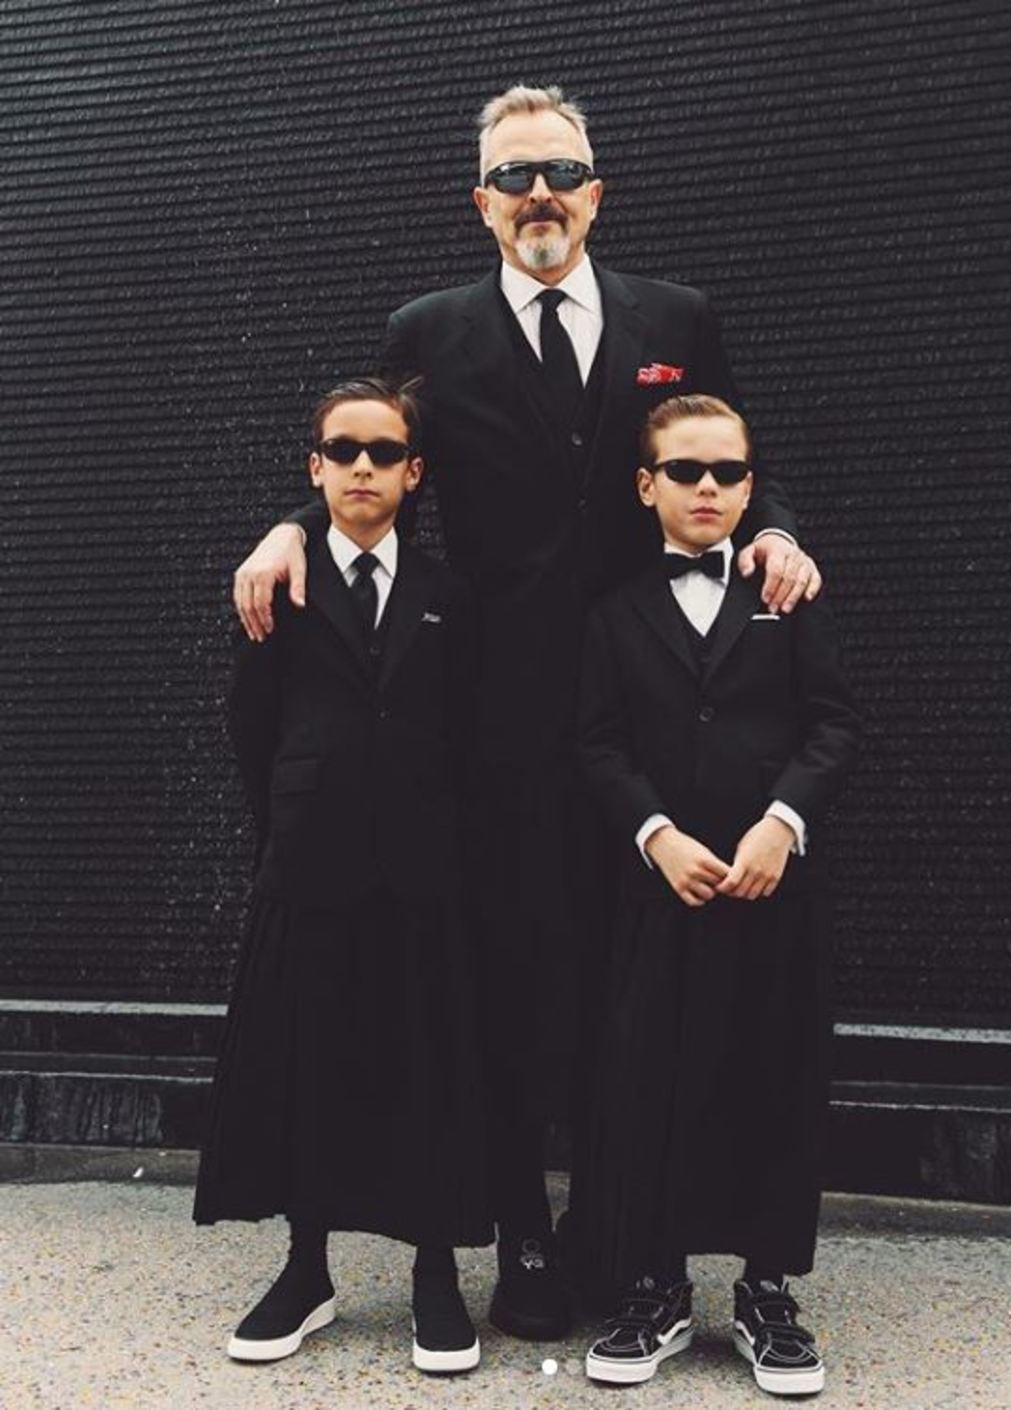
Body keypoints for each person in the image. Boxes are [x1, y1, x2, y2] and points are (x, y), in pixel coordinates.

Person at [230, 85, 823, 1340]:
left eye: (558, 171)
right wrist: (288, 527)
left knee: (635, 970)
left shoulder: (677, 318)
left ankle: (623, 1233)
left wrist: (773, 530)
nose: (538, 193)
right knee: (507, 973)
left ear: (595, 192)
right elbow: (369, 452)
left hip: (658, 703)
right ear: (482, 201)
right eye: (513, 175)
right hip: (494, 713)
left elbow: (732, 451)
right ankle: (526, 1235)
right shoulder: (429, 329)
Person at [193, 377, 491, 1375]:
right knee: (309, 1066)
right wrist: (295, 818)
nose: (364, 467)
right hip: (311, 863)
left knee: (428, 1067)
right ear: (315, 466)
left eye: (385, 452)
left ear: (415, 471)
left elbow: (470, 736)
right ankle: (306, 1268)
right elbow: (252, 725)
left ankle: (435, 1273)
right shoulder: (278, 584)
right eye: (344, 450)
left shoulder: (450, 594)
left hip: (423, 870)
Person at [573, 393, 861, 1394]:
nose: (707, 488)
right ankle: (655, 1286)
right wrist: (654, 834)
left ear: (750, 486)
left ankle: (767, 1291)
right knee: (648, 1079)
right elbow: (596, 742)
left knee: (773, 1077)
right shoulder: (611, 612)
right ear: (644, 485)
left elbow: (833, 724)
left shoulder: (789, 594)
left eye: (728, 472)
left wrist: (783, 822)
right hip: (662, 894)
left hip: (774, 892)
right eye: (686, 471)